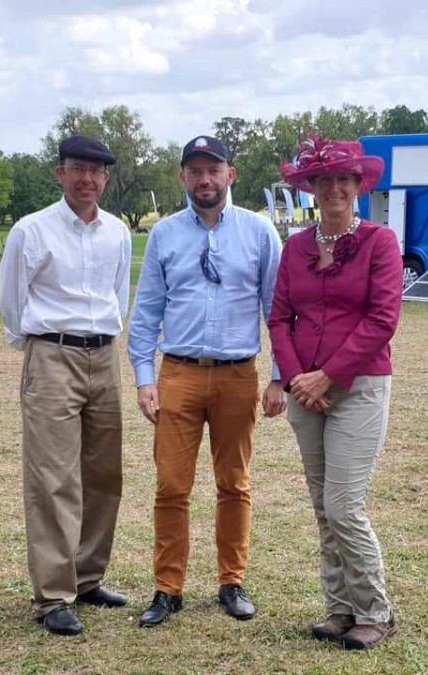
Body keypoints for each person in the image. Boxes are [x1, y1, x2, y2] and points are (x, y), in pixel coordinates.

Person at [127, 135, 286, 627]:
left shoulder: (259, 233)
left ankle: (232, 582)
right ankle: (167, 589)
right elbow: (148, 309)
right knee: (171, 487)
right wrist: (144, 376)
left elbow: (278, 312)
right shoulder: (166, 235)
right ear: (183, 178)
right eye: (195, 171)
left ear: (230, 175)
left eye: (213, 170)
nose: (205, 180)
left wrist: (279, 377)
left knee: (234, 484)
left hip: (238, 376)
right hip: (178, 373)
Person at [267, 134, 403, 650]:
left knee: (346, 505)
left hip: (360, 387)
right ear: (312, 188)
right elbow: (281, 317)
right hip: (306, 391)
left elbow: (382, 319)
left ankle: (375, 610)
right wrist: (300, 377)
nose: (334, 188)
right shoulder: (296, 246)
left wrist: (328, 376)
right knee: (324, 507)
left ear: (358, 185)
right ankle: (340, 610)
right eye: (324, 180)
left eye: (344, 179)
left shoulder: (379, 242)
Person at [0, 136, 132, 636]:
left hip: (103, 356)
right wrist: (38, 349)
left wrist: (104, 341)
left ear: (106, 179)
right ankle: (54, 593)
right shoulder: (31, 231)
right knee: (53, 478)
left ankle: (89, 576)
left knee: (103, 474)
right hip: (52, 354)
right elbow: (12, 303)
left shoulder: (116, 232)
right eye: (77, 169)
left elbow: (118, 295)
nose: (87, 179)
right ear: (60, 173)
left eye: (96, 172)